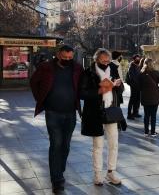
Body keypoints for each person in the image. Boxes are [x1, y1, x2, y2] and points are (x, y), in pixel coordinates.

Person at [30, 45, 83, 194]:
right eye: (64, 57)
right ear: (58, 55)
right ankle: (57, 180)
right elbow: (34, 82)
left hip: (70, 113)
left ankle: (59, 169)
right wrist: (40, 99)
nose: (67, 60)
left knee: (65, 145)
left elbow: (83, 86)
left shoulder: (77, 68)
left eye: (70, 58)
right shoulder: (46, 67)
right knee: (56, 144)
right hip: (53, 113)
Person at [80, 48, 123, 186]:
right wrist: (103, 88)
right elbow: (83, 93)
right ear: (96, 59)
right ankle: (98, 175)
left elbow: (120, 90)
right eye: (103, 60)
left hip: (111, 110)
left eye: (108, 60)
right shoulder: (88, 72)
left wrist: (118, 85)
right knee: (98, 146)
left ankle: (111, 172)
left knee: (114, 144)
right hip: (95, 113)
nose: (106, 62)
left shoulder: (113, 68)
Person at [139, 58, 159, 137]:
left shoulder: (142, 74)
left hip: (145, 96)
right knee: (153, 115)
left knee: (146, 115)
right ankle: (153, 132)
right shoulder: (156, 73)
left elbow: (138, 85)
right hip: (154, 97)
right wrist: (158, 90)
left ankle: (146, 132)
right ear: (152, 64)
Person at [111, 51, 127, 131]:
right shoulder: (117, 64)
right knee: (117, 105)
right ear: (118, 57)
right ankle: (118, 123)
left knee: (113, 105)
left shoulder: (109, 63)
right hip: (117, 87)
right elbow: (120, 77)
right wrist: (122, 86)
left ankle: (115, 122)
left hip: (111, 88)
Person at [127, 54, 142, 120]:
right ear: (134, 59)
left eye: (139, 58)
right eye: (137, 59)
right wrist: (136, 83)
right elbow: (132, 76)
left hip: (138, 85)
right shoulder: (131, 66)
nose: (138, 60)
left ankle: (135, 112)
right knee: (132, 99)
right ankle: (129, 114)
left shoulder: (138, 66)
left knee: (138, 99)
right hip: (134, 85)